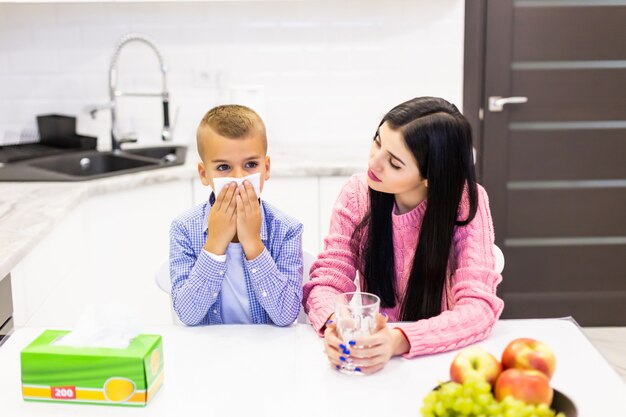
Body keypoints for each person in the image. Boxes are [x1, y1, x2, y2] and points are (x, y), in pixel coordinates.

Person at [303, 96, 504, 374]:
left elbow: (479, 309)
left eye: (395, 163)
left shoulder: (466, 202)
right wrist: (334, 323)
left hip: (440, 358)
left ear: (431, 176)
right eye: (377, 142)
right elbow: (327, 281)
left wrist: (399, 340)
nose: (374, 162)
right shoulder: (357, 194)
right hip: (369, 357)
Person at [169, 104, 303, 326]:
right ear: (204, 174)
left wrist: (253, 243)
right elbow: (187, 315)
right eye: (223, 167)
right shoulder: (184, 228)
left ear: (266, 168)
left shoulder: (287, 229)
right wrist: (214, 244)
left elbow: (287, 315)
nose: (239, 178)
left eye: (251, 165)